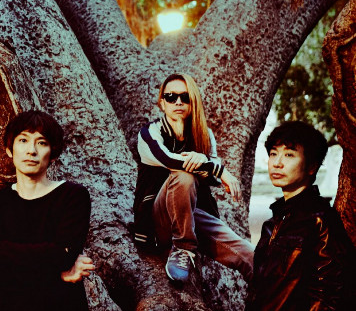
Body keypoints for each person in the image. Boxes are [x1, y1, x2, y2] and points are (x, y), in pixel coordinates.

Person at [132, 73, 254, 283]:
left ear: (193, 101)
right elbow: (169, 160)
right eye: (171, 97)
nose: (178, 102)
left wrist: (204, 161)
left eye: (185, 97)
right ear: (162, 102)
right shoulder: (150, 133)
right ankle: (183, 248)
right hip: (157, 222)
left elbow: (212, 180)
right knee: (183, 175)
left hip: (192, 218)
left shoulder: (204, 135)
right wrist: (217, 169)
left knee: (250, 256)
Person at [0, 110, 94, 310]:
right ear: (9, 149)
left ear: (53, 154)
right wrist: (58, 273)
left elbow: (62, 256)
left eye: (42, 142)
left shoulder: (73, 196)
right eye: (23, 140)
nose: (31, 150)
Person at [246, 121, 355, 310]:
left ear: (311, 166)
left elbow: (330, 295)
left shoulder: (320, 220)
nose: (277, 163)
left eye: (289, 155)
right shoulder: (273, 223)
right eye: (273, 153)